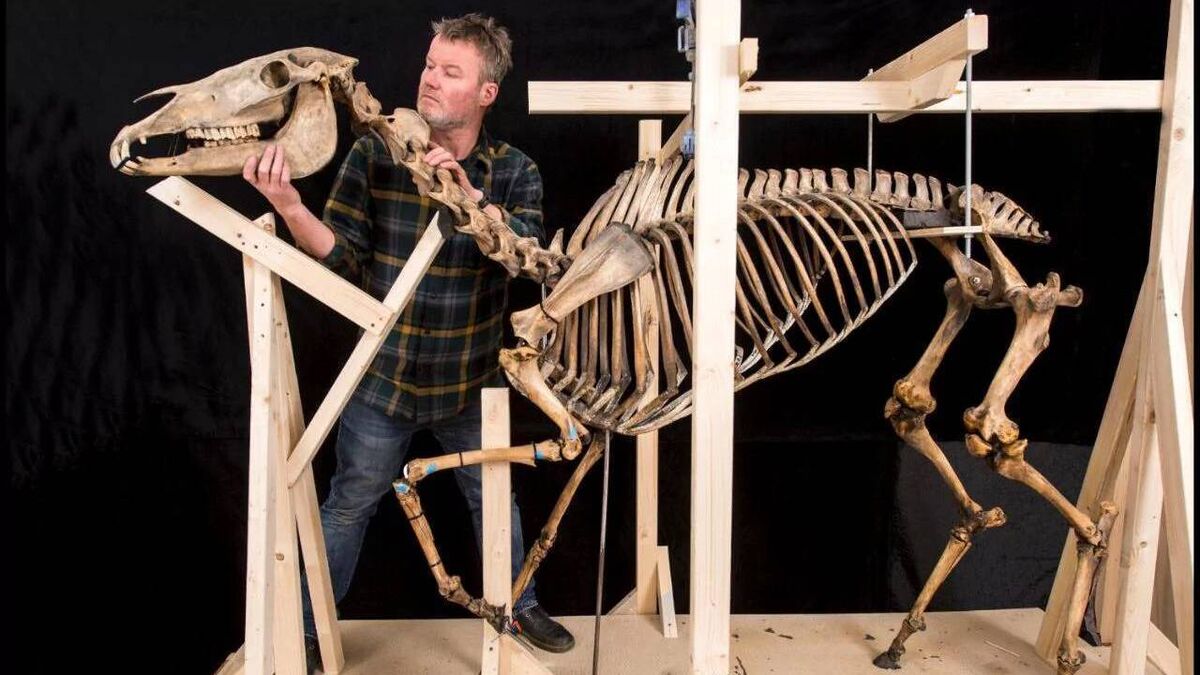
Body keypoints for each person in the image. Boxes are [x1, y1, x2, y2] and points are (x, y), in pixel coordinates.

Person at [242, 12, 576, 665]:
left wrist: (470, 194)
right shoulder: (373, 154)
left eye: (451, 72)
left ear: (486, 92)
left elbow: (527, 260)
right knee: (349, 503)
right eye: (430, 65)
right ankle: (311, 630)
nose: (430, 80)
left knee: (493, 496)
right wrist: (288, 205)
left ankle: (519, 603)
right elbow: (341, 256)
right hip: (383, 377)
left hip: (470, 381)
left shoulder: (515, 172)